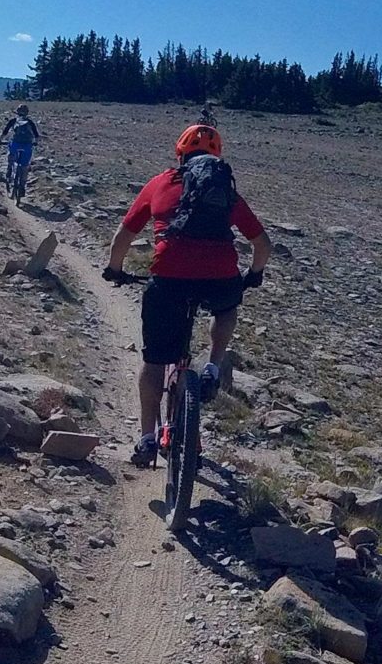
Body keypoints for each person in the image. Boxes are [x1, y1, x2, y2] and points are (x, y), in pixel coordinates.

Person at [102, 122, 272, 468]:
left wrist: (114, 269)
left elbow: (124, 234)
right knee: (227, 306)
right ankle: (212, 365)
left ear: (180, 153)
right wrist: (253, 275)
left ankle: (147, 438)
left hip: (169, 277)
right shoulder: (225, 189)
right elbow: (262, 244)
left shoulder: (160, 183)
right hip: (219, 276)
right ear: (216, 156)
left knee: (154, 362)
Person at [0, 106, 38, 200]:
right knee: (24, 166)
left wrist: (0, 140)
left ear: (17, 112)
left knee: (11, 157)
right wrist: (35, 142)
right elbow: (36, 135)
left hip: (15, 144)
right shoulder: (30, 122)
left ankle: (9, 171)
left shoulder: (13, 121)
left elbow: (5, 131)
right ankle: (22, 187)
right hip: (27, 146)